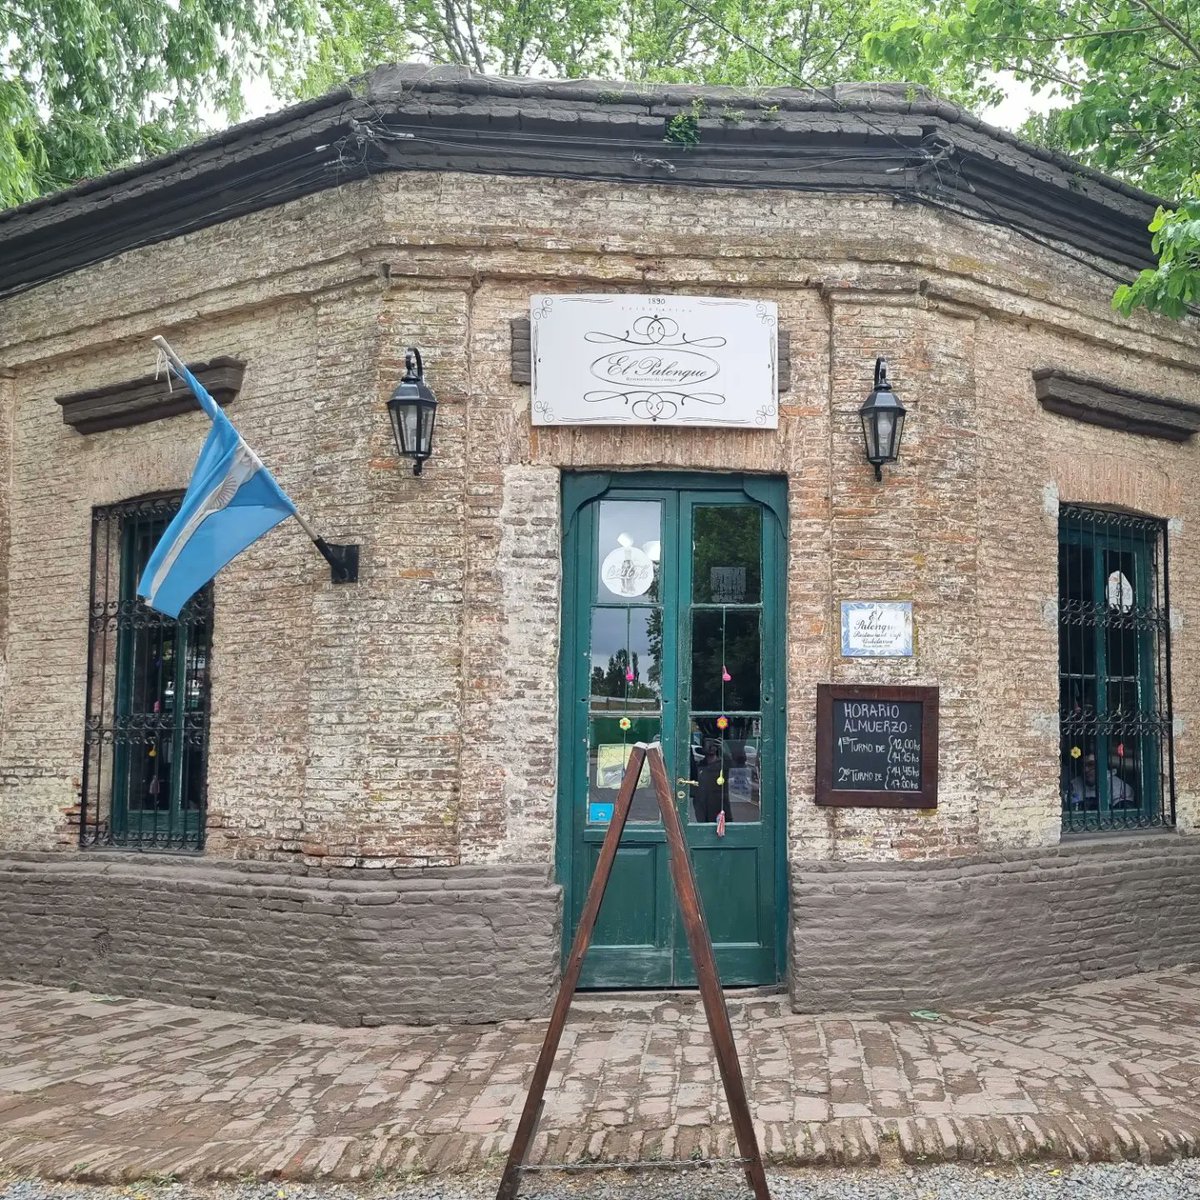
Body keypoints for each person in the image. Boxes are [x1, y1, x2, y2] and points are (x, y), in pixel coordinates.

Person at [1069, 752, 1135, 811]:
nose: (1085, 770)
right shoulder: (1074, 784)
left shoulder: (1119, 787)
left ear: (1101, 765)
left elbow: (1123, 814)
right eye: (1083, 765)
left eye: (1091, 764)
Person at [692, 740, 733, 824]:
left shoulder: (723, 764)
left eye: (713, 745)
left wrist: (723, 749)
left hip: (719, 802)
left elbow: (732, 764)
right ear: (703, 748)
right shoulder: (699, 765)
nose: (711, 747)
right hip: (703, 803)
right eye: (708, 744)